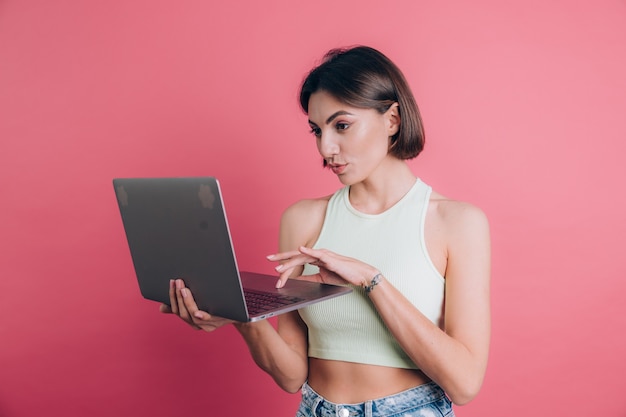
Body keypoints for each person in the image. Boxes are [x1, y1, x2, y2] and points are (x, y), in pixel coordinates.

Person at [160, 45, 491, 417]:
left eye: (342, 125)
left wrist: (371, 280)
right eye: (317, 130)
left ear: (393, 120)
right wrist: (240, 315)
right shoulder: (303, 220)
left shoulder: (457, 223)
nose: (326, 147)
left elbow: (464, 384)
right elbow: (292, 375)